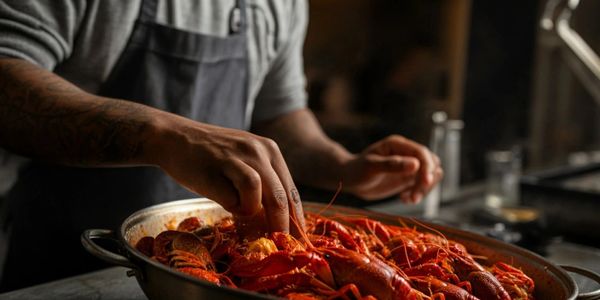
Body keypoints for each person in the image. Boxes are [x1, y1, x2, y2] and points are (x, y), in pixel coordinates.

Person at [0, 0, 442, 291]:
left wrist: (342, 165)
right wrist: (167, 135)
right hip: (67, 269)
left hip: (219, 277)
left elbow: (279, 113)